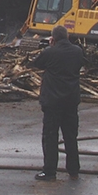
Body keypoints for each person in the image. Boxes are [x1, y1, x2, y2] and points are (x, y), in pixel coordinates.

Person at [31, 24, 85, 181]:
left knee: (50, 136)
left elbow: (37, 63)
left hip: (53, 102)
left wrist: (50, 47)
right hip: (71, 100)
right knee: (70, 136)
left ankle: (49, 171)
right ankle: (73, 169)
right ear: (67, 37)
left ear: (53, 39)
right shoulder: (77, 52)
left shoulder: (50, 52)